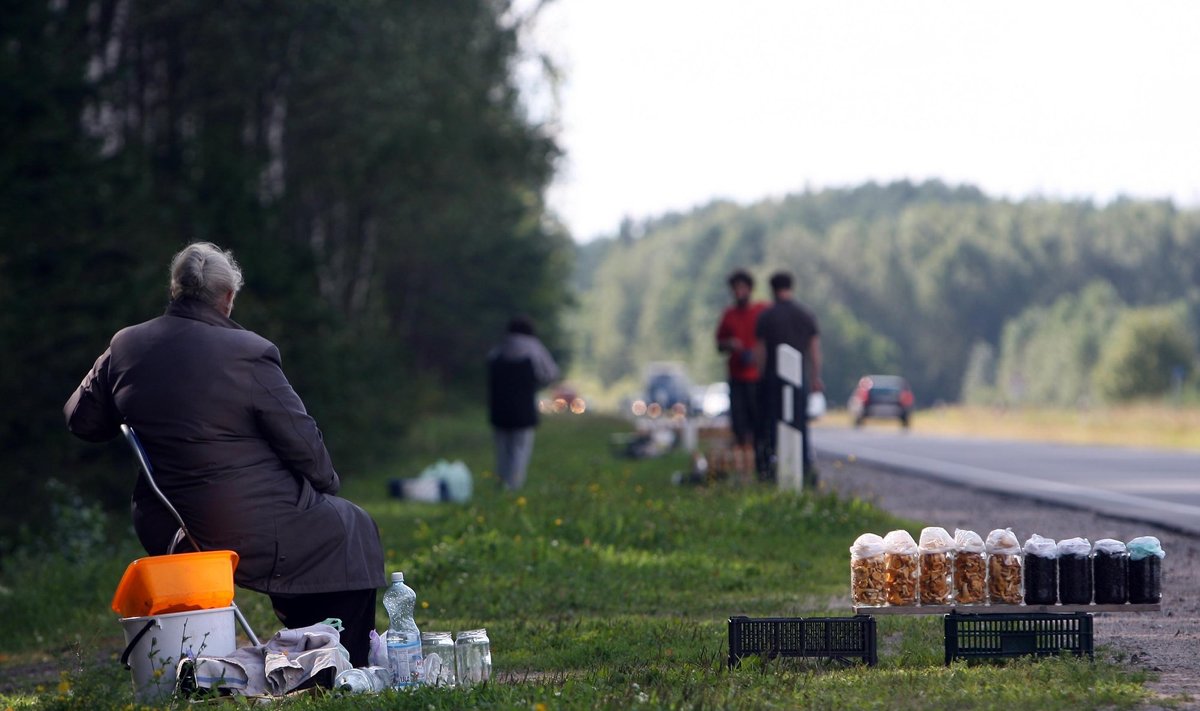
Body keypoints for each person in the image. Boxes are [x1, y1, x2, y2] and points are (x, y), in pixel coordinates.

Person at [63, 242, 385, 667]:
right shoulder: (249, 352)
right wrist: (325, 483)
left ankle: (306, 650)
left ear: (175, 289)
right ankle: (343, 658)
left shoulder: (125, 345)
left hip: (165, 522)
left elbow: (81, 420)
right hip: (237, 524)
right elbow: (301, 440)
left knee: (318, 527)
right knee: (349, 525)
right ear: (228, 297)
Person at [754, 270, 823, 486]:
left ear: (773, 290)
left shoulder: (766, 316)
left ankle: (772, 471)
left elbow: (760, 351)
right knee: (800, 426)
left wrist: (760, 375)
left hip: (772, 381)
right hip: (798, 380)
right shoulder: (805, 315)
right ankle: (804, 470)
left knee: (772, 427)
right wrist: (815, 378)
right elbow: (814, 351)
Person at [486, 316, 559, 490]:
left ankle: (502, 483)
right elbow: (551, 373)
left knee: (502, 451)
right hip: (523, 408)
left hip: (499, 408)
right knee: (520, 449)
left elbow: (489, 366)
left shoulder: (499, 349)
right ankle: (514, 485)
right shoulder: (534, 348)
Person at [715, 269, 768, 480]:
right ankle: (742, 469)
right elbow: (718, 343)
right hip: (737, 377)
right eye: (736, 288)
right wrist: (730, 344)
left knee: (759, 425)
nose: (739, 292)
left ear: (750, 289)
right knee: (739, 425)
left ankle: (760, 466)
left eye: (742, 288)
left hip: (757, 378)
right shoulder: (728, 315)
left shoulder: (761, 311)